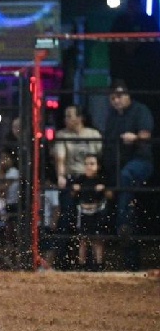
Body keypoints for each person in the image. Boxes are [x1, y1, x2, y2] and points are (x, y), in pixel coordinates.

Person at [101, 81, 154, 271]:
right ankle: (129, 262)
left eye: (119, 96)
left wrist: (136, 138)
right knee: (123, 203)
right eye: (113, 98)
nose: (116, 101)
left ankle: (122, 224)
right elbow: (107, 144)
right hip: (117, 167)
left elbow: (146, 134)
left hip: (140, 162)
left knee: (126, 179)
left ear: (128, 95)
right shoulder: (112, 117)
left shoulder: (140, 110)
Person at [52, 105, 102, 269]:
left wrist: (100, 179)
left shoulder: (93, 134)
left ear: (80, 118)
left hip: (92, 179)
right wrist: (61, 176)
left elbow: (101, 159)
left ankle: (95, 263)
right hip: (72, 179)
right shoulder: (62, 135)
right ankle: (64, 261)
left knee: (96, 222)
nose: (66, 119)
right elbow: (60, 157)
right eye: (65, 116)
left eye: (70, 116)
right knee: (66, 217)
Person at [70, 154, 108, 271]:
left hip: (97, 211)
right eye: (86, 164)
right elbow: (72, 195)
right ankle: (81, 265)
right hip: (83, 212)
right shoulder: (80, 179)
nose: (88, 167)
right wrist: (75, 189)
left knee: (98, 239)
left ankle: (99, 265)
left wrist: (104, 189)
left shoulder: (101, 179)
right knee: (82, 240)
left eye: (92, 164)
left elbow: (110, 195)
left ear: (98, 166)